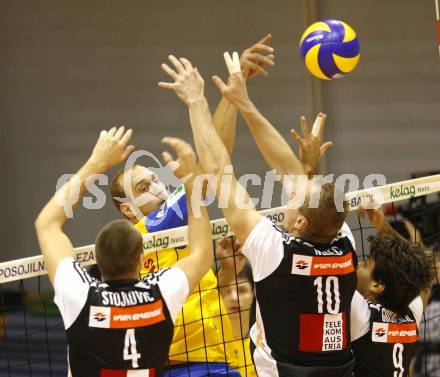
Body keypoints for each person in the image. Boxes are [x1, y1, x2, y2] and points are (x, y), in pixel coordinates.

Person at [159, 54, 357, 376]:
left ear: (301, 222)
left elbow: (216, 171)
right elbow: (289, 171)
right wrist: (244, 104)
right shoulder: (343, 240)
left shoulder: (275, 250)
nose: (293, 188)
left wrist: (196, 101)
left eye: (297, 195)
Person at [108, 36, 275, 377]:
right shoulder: (151, 227)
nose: (157, 186)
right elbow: (215, 161)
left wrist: (227, 271)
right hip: (190, 365)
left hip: (209, 358)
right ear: (127, 209)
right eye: (143, 187)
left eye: (156, 180)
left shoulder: (178, 228)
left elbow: (212, 163)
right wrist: (230, 92)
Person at [34, 127, 213, 376]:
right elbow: (203, 254)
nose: (157, 188)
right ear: (141, 260)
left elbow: (47, 223)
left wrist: (96, 163)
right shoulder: (159, 293)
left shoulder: (81, 296)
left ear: (97, 264)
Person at [351, 205, 435, 377]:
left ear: (377, 286)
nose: (358, 266)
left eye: (365, 264)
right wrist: (383, 227)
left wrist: (384, 228)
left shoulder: (362, 315)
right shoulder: (411, 316)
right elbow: (417, 270)